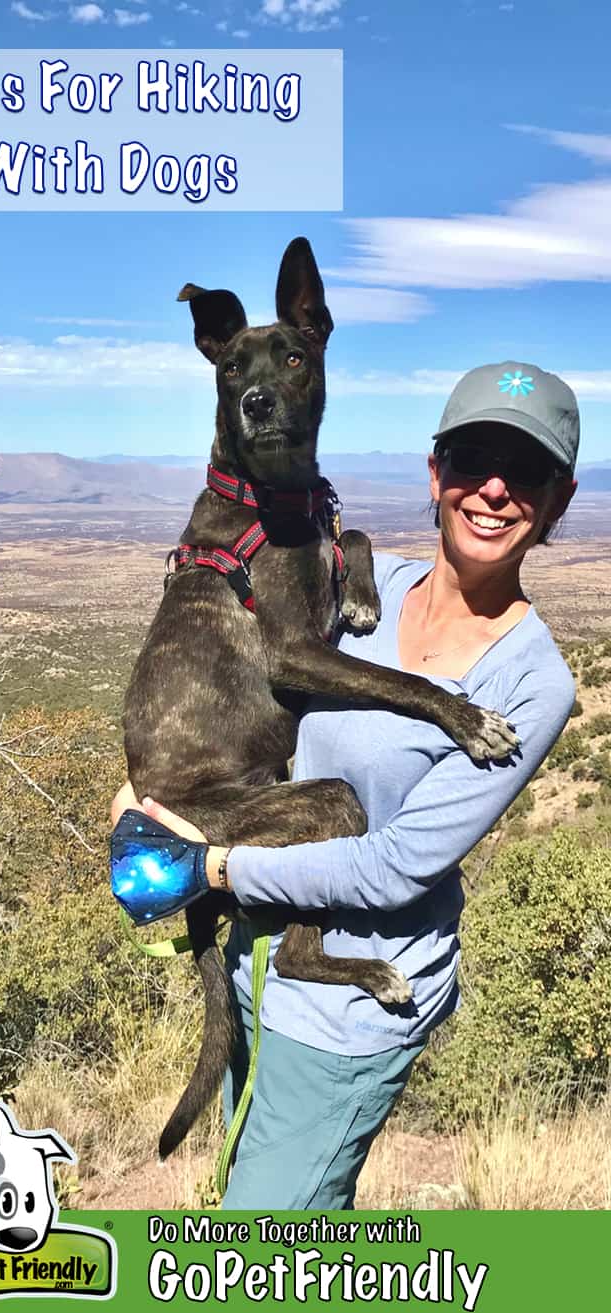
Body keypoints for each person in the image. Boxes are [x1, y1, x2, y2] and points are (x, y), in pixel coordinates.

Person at [111, 360, 579, 1209]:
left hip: (343, 1021)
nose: (495, 489)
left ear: (559, 502)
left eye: (529, 473)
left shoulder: (532, 683)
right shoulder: (376, 580)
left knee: (264, 1251)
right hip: (263, 963)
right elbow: (217, 680)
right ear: (437, 474)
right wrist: (148, 799)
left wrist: (205, 866)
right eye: (472, 458)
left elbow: (393, 867)